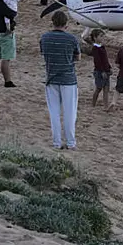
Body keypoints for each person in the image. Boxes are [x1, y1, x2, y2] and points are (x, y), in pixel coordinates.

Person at [39, 10, 81, 150]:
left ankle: (57, 142)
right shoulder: (71, 39)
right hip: (68, 79)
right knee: (70, 112)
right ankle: (70, 142)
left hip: (51, 78)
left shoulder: (44, 38)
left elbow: (43, 54)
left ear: (53, 22)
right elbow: (77, 57)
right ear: (66, 24)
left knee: (54, 112)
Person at [90, 29, 111, 108]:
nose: (102, 38)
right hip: (99, 72)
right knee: (98, 88)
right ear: (95, 37)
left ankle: (106, 106)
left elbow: (105, 59)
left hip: (106, 70)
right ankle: (93, 104)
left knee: (106, 89)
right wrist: (102, 71)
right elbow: (97, 61)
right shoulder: (95, 48)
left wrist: (109, 67)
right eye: (101, 36)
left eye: (103, 36)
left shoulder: (102, 47)